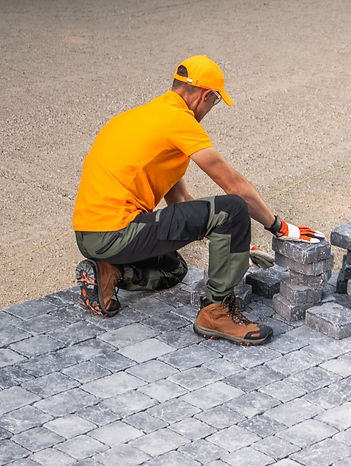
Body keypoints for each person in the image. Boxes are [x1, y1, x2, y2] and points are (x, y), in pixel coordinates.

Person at [72, 55, 323, 346]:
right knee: (233, 208)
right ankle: (216, 313)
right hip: (116, 232)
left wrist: (237, 247)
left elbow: (180, 206)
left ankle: (109, 272)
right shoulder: (179, 121)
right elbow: (234, 185)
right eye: (214, 101)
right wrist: (279, 227)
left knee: (173, 269)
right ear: (206, 96)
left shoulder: (141, 117)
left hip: (90, 235)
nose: (210, 109)